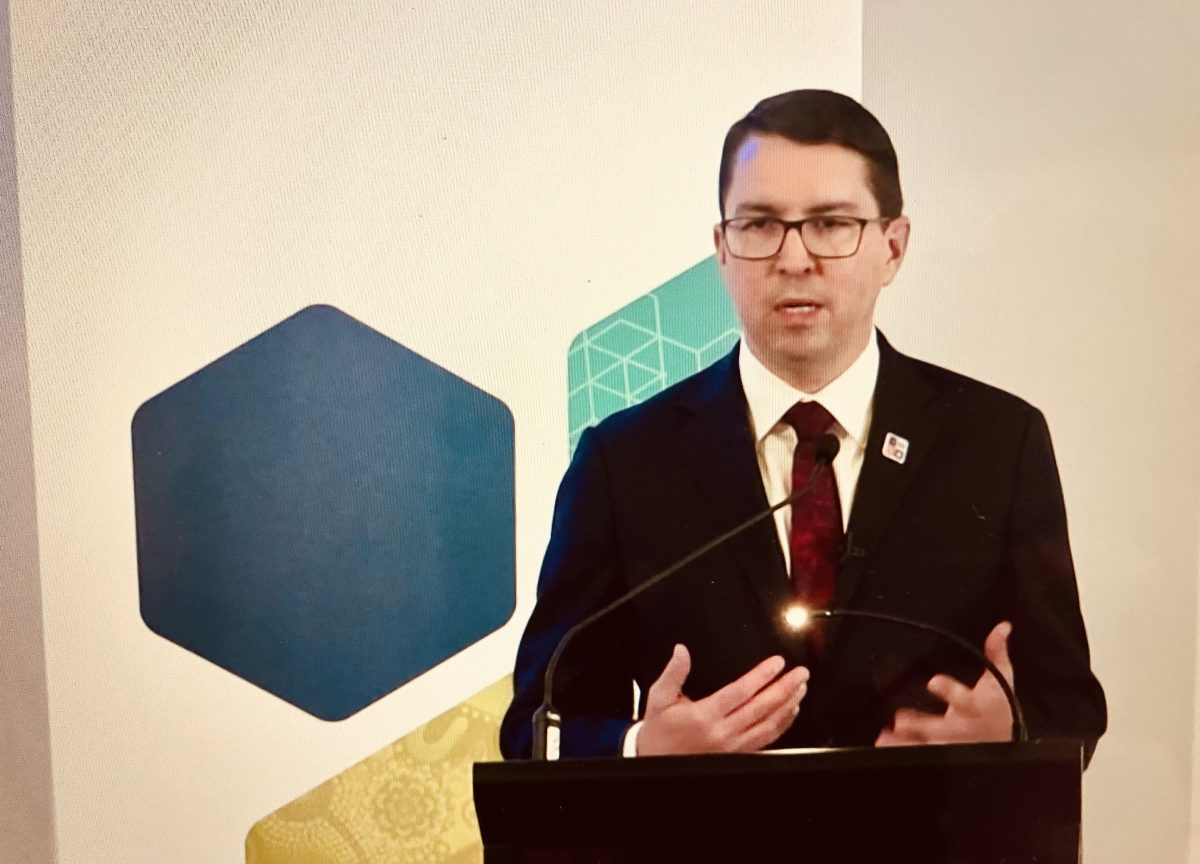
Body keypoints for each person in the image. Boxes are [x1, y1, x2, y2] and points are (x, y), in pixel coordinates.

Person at [500, 89, 1106, 763]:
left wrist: (1012, 737)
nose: (793, 260)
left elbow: (1071, 706)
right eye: (759, 225)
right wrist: (642, 746)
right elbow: (536, 728)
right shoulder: (625, 461)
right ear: (722, 250)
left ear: (893, 247)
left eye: (830, 224)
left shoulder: (998, 442)